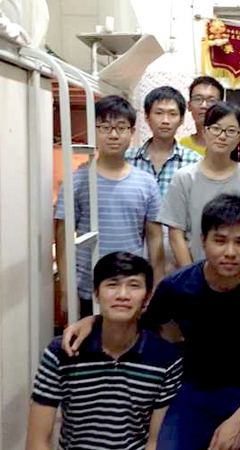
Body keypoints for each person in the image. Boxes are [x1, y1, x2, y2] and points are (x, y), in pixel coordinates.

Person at [62, 194, 240, 450]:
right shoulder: (178, 286)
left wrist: (239, 420)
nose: (230, 252)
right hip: (194, 391)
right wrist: (94, 320)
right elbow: (140, 322)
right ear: (203, 241)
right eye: (220, 241)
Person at [26, 252, 183, 450]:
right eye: (112, 284)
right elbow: (37, 440)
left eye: (134, 285)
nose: (123, 295)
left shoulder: (166, 360)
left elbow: (155, 443)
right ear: (96, 293)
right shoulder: (62, 351)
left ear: (147, 297)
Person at [55, 95, 164, 318]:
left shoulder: (146, 182)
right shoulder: (77, 180)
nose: (113, 135)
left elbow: (155, 238)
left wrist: (156, 286)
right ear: (93, 131)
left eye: (121, 127)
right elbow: (63, 237)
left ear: (132, 132)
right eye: (104, 127)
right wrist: (66, 290)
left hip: (132, 286)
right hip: (88, 287)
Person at [158, 102, 240, 268]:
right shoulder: (184, 178)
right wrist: (192, 276)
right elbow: (176, 235)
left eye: (231, 131)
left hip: (239, 272)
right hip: (195, 271)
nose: (222, 136)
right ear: (205, 131)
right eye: (216, 128)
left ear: (239, 137)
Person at [125, 86, 202, 273]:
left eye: (172, 114)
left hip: (180, 250)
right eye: (159, 113)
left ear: (181, 119)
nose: (165, 120)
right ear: (147, 117)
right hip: (133, 248)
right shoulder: (127, 160)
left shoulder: (195, 162)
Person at [179, 76, 226, 156]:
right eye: (198, 99)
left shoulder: (238, 144)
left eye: (211, 100)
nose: (204, 105)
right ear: (189, 105)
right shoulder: (183, 146)